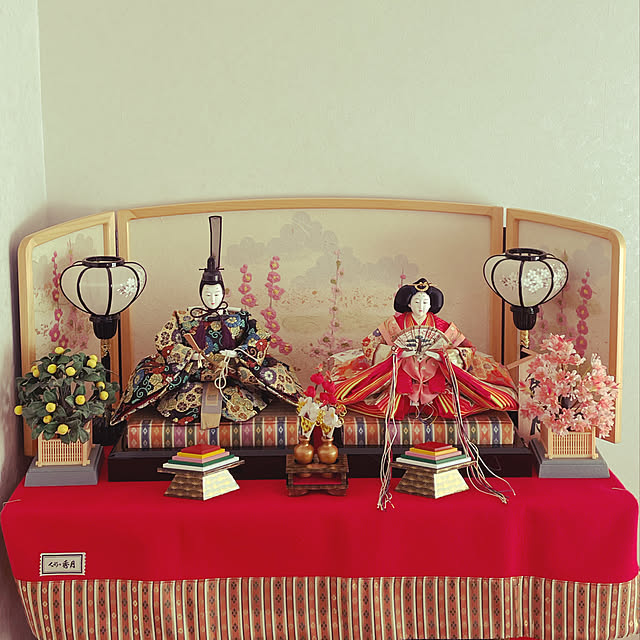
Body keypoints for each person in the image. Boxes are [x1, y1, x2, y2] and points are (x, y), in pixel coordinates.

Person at [111, 257, 302, 426]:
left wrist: (238, 352)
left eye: (216, 294)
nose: (212, 299)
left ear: (223, 293)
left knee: (264, 380)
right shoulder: (183, 318)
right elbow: (165, 339)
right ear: (200, 293)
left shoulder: (240, 318)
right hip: (193, 374)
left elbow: (259, 335)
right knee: (153, 378)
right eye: (207, 294)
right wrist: (188, 354)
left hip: (230, 373)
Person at [329, 277, 518, 420]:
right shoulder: (393, 324)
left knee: (452, 408)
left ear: (431, 304)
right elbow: (369, 344)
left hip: (436, 377)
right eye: (417, 302)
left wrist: (444, 356)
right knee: (389, 407)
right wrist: (395, 353)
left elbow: (467, 349)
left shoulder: (442, 326)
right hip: (399, 376)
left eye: (425, 302)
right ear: (408, 303)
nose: (421, 306)